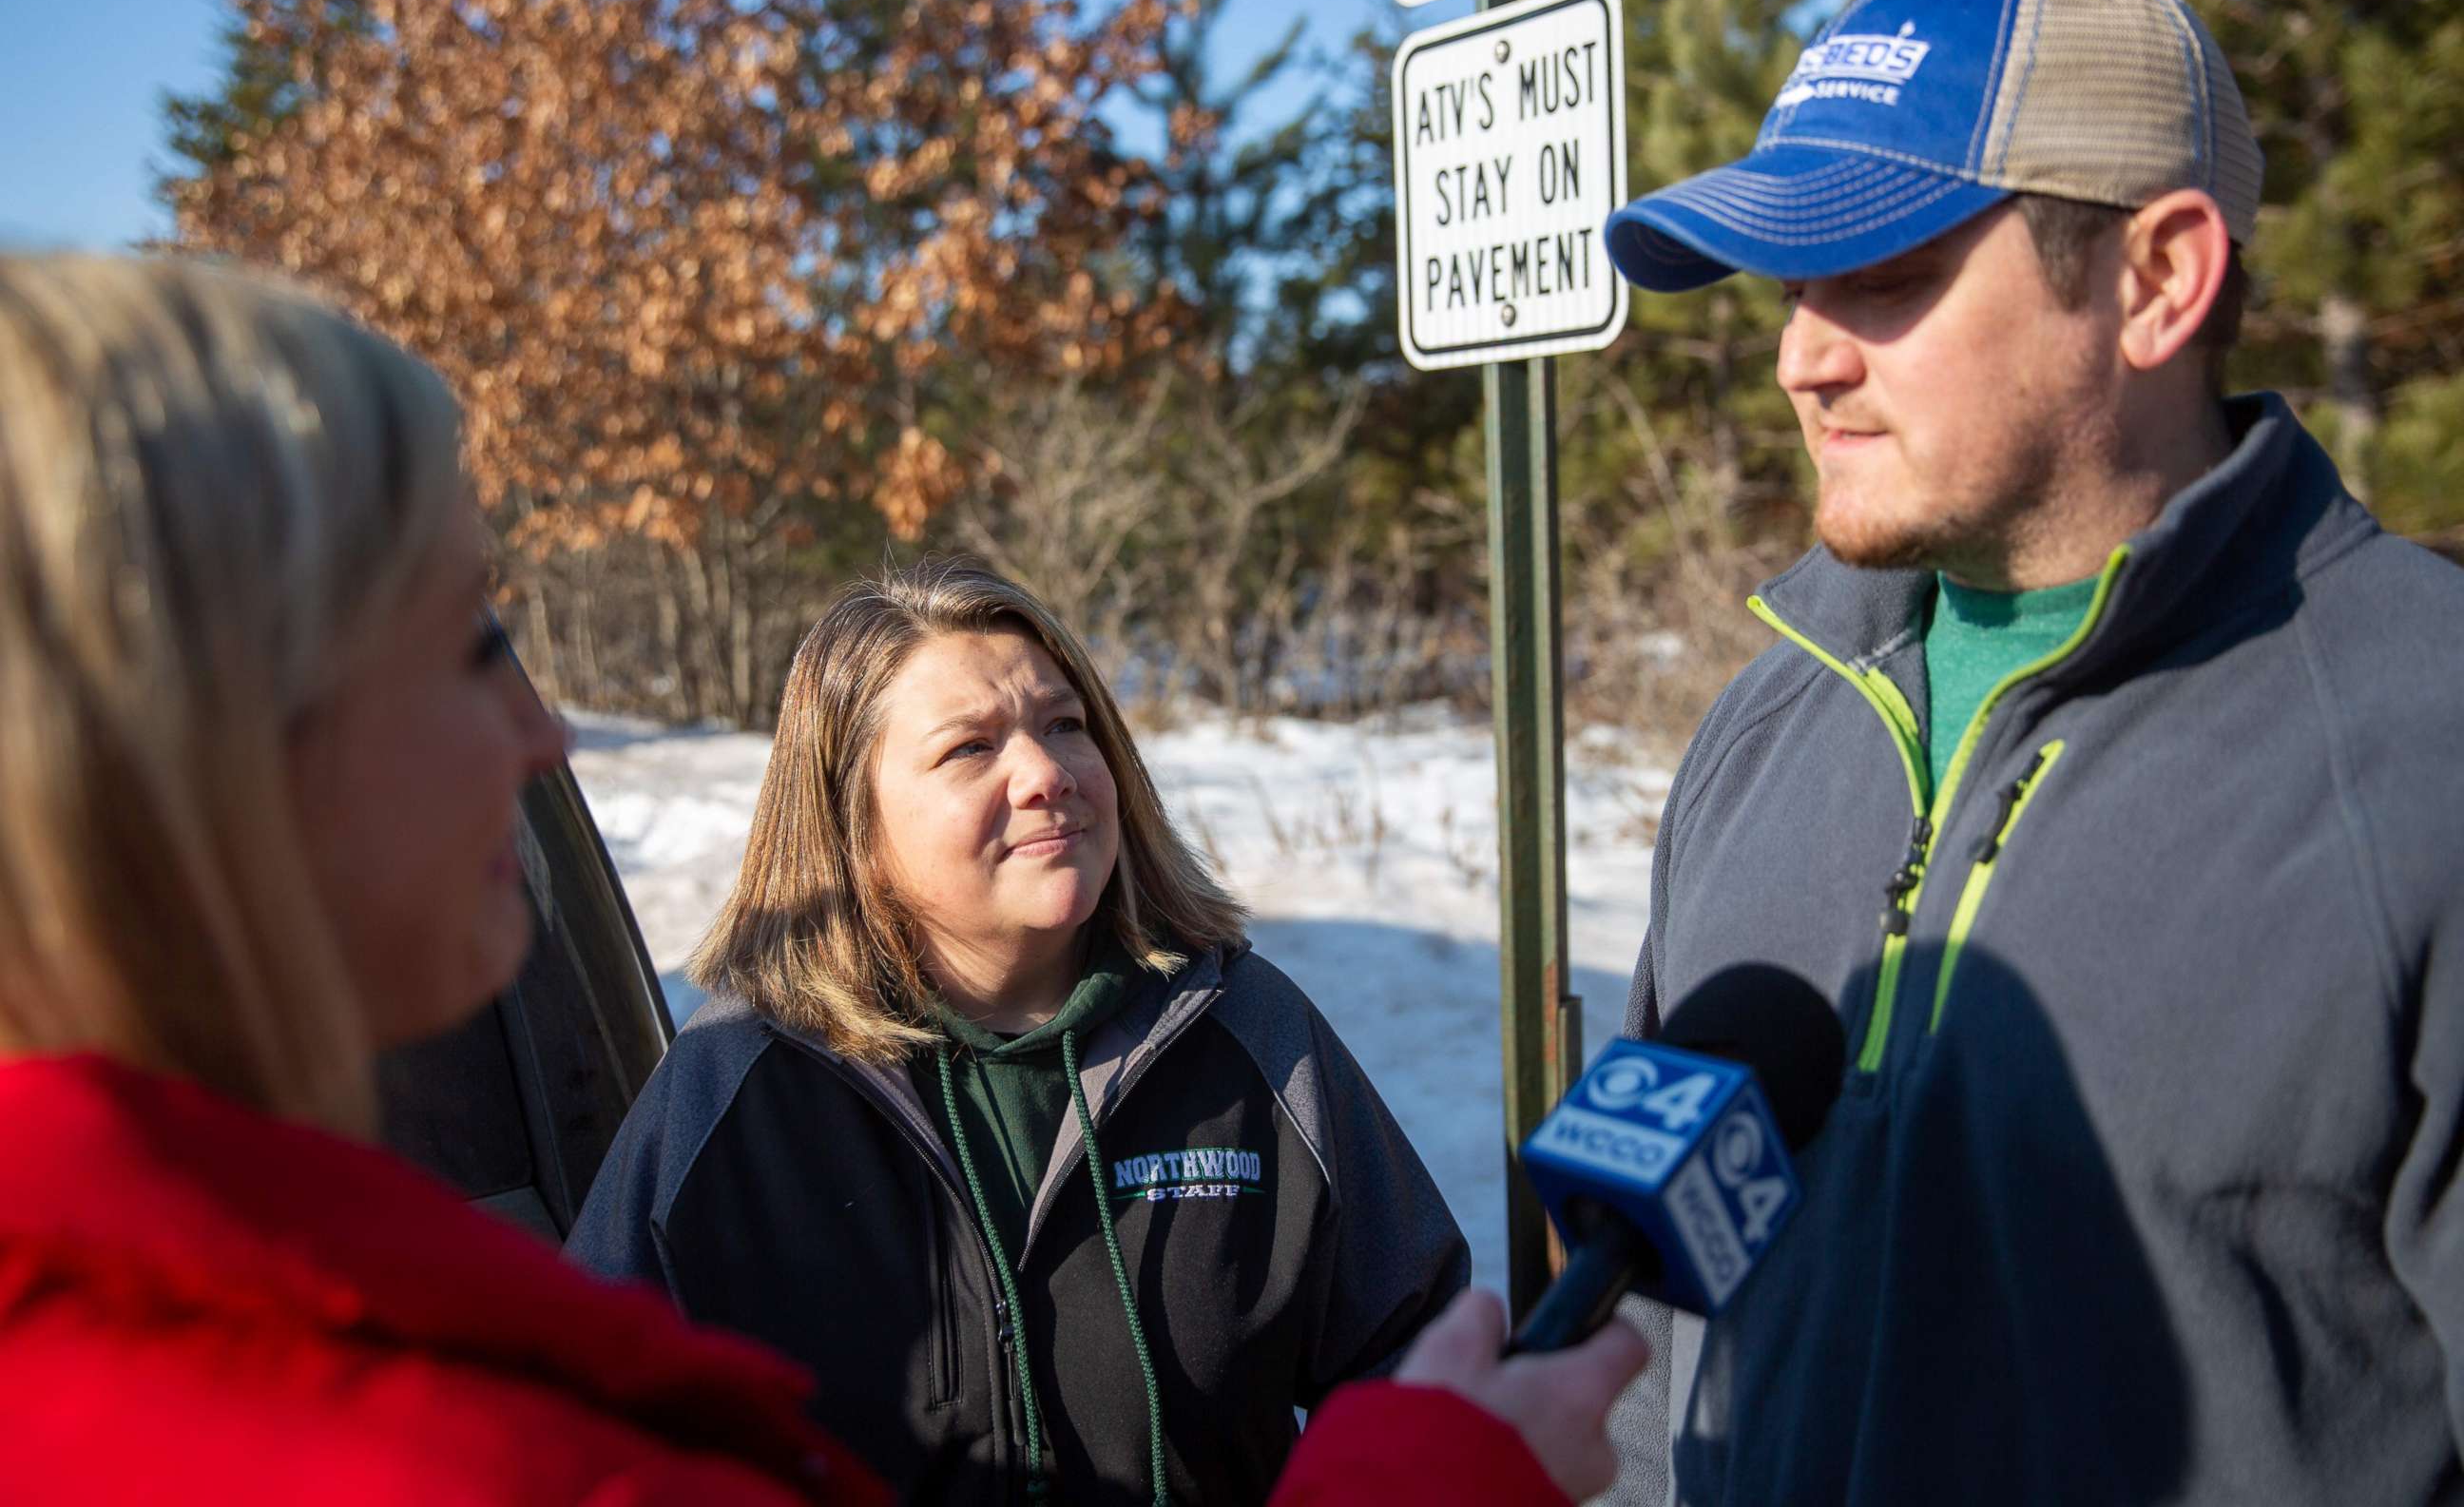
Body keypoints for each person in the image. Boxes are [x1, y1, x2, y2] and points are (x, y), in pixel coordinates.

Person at [0, 253, 1645, 1506]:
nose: (545, 722)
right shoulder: (685, 1144)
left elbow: (1405, 1332)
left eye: (1066, 721)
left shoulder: (1245, 1034)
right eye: (467, 639)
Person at [1598, 0, 2464, 1505]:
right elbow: (1667, 1333)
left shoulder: (2426, 743)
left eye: (1882, 267)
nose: (1799, 353)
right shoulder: (1764, 722)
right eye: (1792, 284)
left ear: (2157, 278)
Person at [567, 559, 1478, 1506]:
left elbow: (1423, 1364)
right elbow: (578, 1436)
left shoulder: (1246, 1029)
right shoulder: (732, 1085)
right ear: (854, 825)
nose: (1046, 774)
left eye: (1066, 726)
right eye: (970, 749)